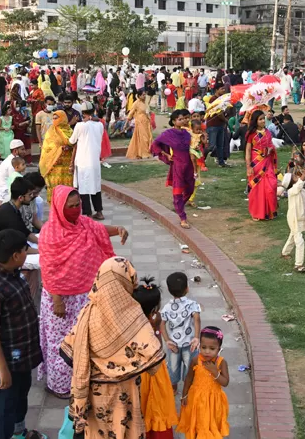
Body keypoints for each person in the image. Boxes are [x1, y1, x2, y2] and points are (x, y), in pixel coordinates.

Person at [37, 186, 128, 398]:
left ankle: (82, 380)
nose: (77, 209)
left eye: (78, 204)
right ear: (60, 208)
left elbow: (99, 229)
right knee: (61, 343)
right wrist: (57, 300)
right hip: (60, 300)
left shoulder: (84, 223)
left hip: (83, 297)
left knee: (84, 339)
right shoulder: (50, 234)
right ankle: (58, 385)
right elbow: (49, 270)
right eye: (71, 206)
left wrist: (118, 229)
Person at [60, 257, 165, 439]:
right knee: (123, 428)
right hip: (124, 392)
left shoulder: (87, 312)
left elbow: (71, 354)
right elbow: (153, 361)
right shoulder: (133, 316)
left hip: (94, 395)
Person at [0, 229, 45, 439]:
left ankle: (19, 431)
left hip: (23, 354)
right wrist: (2, 369)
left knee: (22, 392)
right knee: (6, 402)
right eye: (25, 251)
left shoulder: (15, 274)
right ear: (16, 256)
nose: (27, 254)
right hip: (9, 359)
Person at [132, 278, 178, 439]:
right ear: (154, 309)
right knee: (155, 406)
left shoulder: (131, 323)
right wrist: (156, 325)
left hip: (135, 373)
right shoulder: (152, 324)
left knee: (140, 406)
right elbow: (157, 347)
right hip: (154, 373)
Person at [176, 326, 230, 439]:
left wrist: (215, 371)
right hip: (196, 399)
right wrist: (184, 395)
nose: (207, 351)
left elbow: (225, 382)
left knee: (211, 425)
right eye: (204, 347)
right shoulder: (196, 360)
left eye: (212, 348)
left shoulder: (221, 362)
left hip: (213, 401)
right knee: (197, 424)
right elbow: (189, 378)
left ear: (219, 348)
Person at [160, 270, 202, 400]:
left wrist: (167, 340)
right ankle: (188, 388)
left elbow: (162, 325)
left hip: (173, 345)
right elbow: (196, 319)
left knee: (173, 367)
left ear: (168, 289)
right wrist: (196, 337)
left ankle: (173, 389)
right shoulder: (192, 305)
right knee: (190, 367)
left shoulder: (166, 307)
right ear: (187, 288)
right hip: (190, 344)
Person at [151, 110, 195, 228]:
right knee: (178, 191)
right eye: (180, 119)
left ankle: (179, 205)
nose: (184, 121)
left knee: (190, 189)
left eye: (185, 118)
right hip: (177, 165)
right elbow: (155, 144)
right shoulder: (168, 134)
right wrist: (166, 154)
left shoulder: (187, 133)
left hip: (189, 165)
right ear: (174, 121)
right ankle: (182, 217)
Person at [69, 107, 105, 219]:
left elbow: (71, 141)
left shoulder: (80, 126)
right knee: (95, 187)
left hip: (83, 162)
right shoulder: (100, 125)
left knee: (84, 188)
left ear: (83, 114)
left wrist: (72, 124)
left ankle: (87, 213)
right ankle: (99, 212)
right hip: (94, 162)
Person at [246, 110, 278, 221]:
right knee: (257, 189)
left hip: (267, 163)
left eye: (263, 118)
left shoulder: (268, 132)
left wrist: (270, 149)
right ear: (255, 121)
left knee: (271, 186)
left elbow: (271, 146)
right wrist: (249, 166)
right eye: (260, 119)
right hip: (256, 163)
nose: (262, 121)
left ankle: (268, 212)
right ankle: (256, 212)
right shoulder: (251, 134)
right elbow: (248, 150)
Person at [0, 178, 38, 244]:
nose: (32, 196)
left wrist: (44, 243)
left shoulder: (12, 208)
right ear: (20, 198)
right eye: (30, 194)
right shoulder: (9, 214)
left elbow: (26, 233)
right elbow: (20, 248)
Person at [39, 110, 74, 203]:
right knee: (56, 189)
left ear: (63, 118)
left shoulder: (70, 131)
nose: (54, 120)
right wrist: (60, 149)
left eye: (57, 118)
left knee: (67, 189)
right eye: (53, 118)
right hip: (55, 166)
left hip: (67, 166)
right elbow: (47, 148)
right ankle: (55, 211)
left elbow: (75, 144)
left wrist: (69, 147)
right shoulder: (50, 132)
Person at [126, 88, 153, 159]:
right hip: (140, 122)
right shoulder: (136, 103)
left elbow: (147, 111)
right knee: (144, 138)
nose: (144, 96)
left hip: (146, 122)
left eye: (145, 95)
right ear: (139, 95)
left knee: (148, 137)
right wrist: (126, 123)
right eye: (143, 95)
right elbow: (130, 114)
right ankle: (144, 153)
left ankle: (145, 152)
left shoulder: (145, 102)